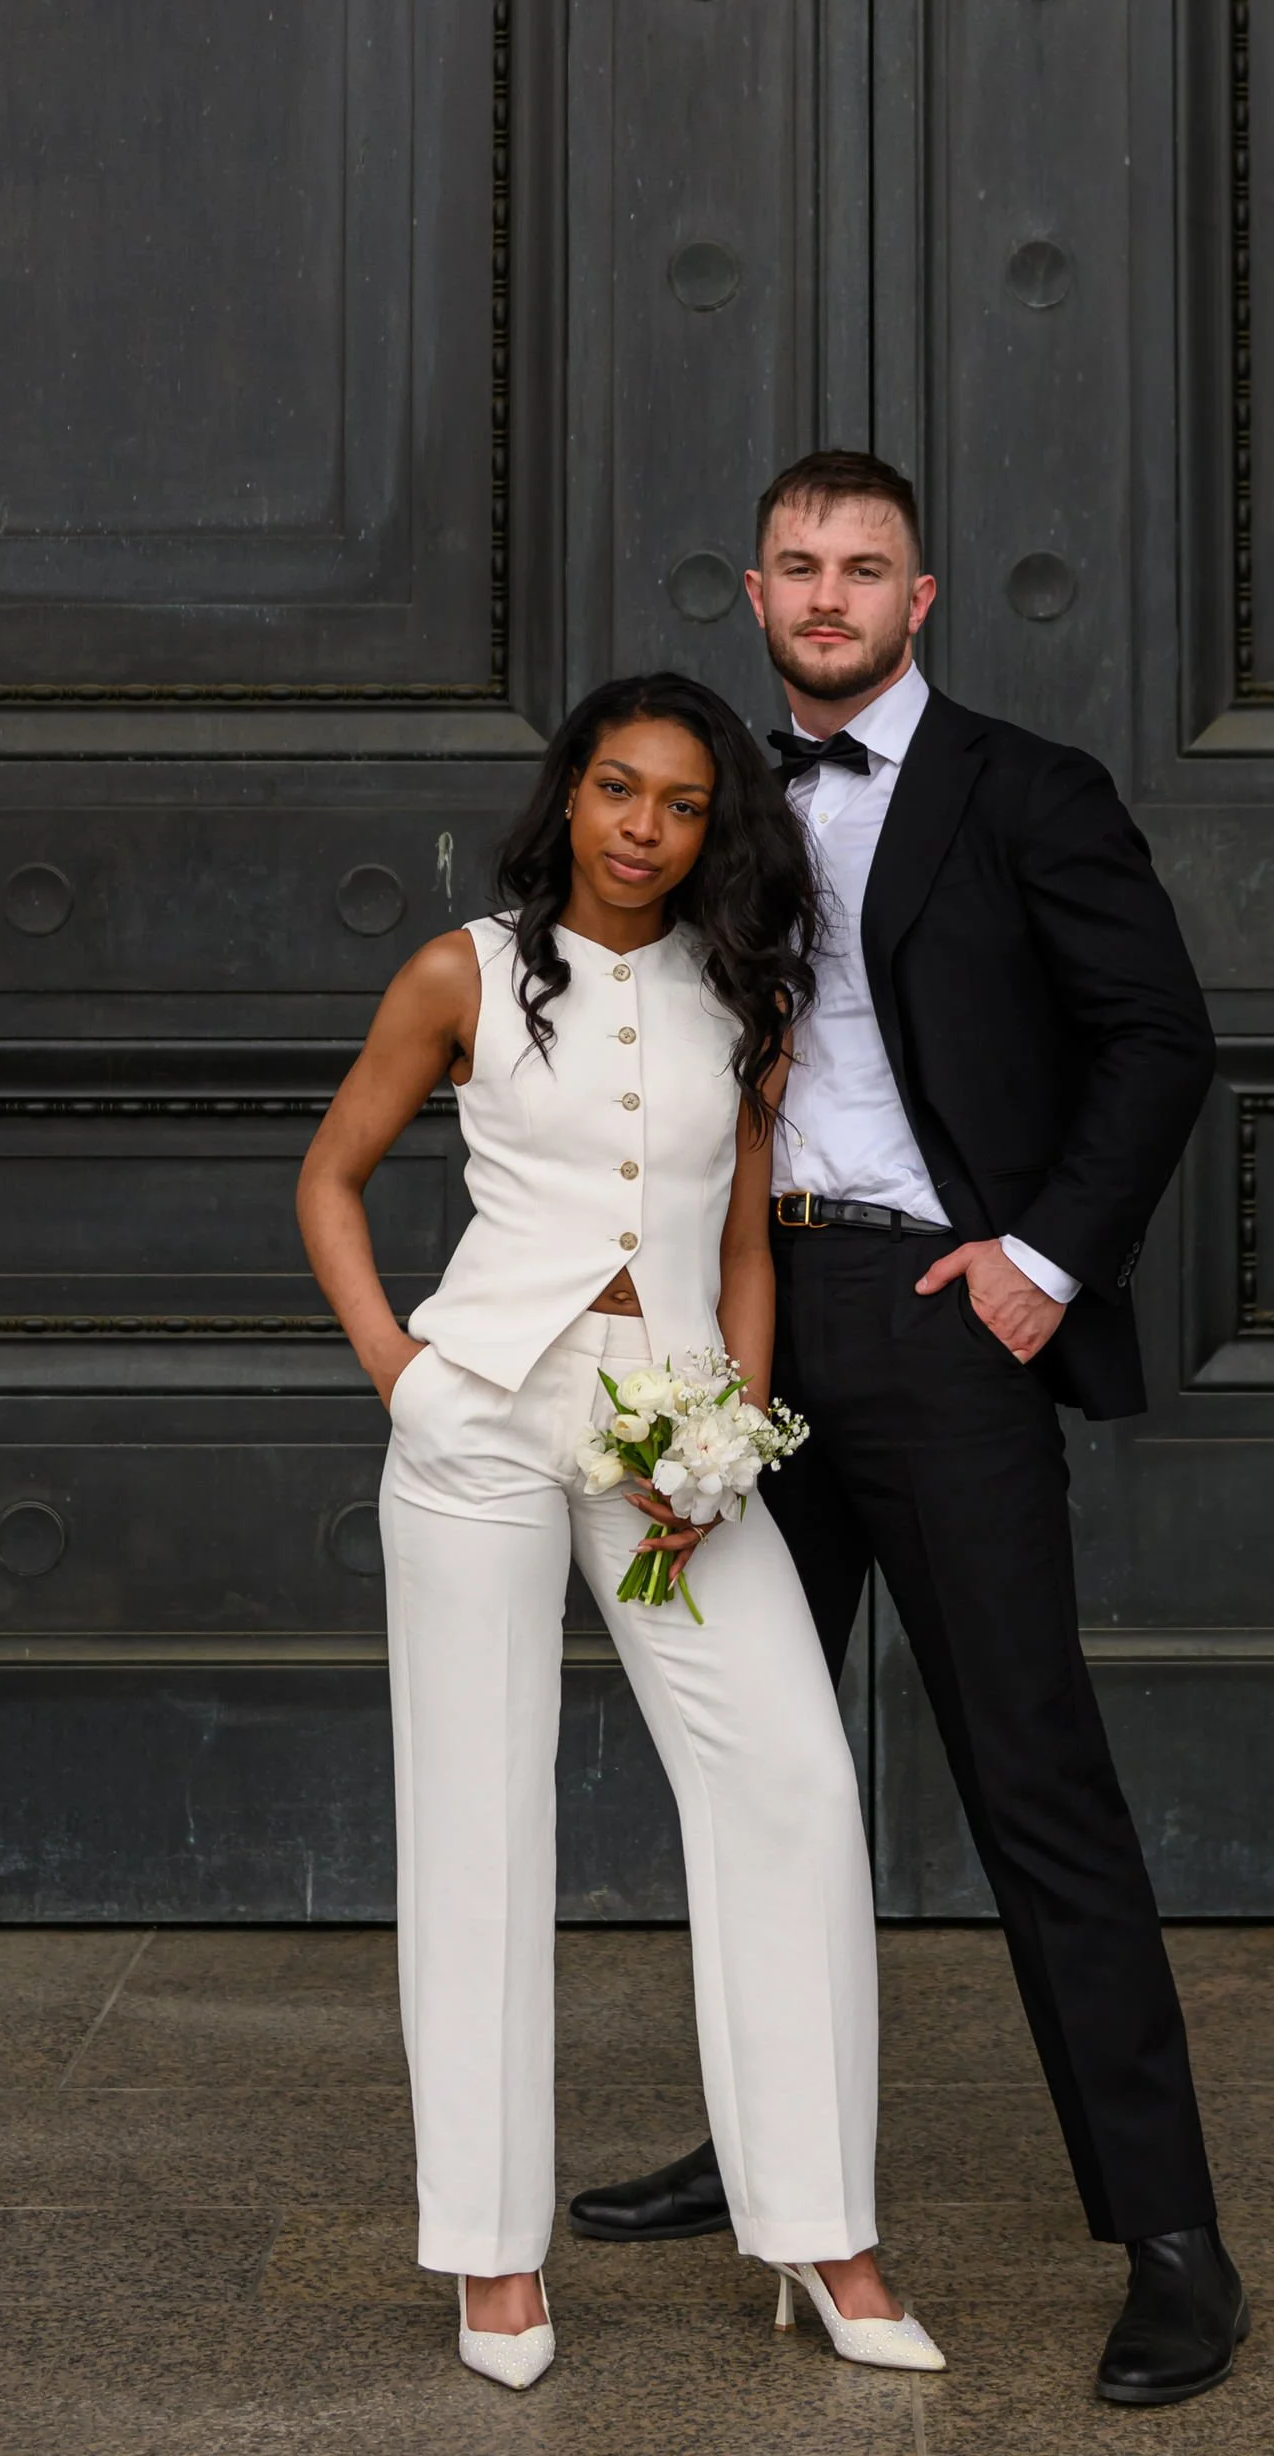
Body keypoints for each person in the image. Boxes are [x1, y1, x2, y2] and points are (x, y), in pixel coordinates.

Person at [567, 457, 1249, 2407]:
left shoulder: (1028, 791)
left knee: (1036, 1784)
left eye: (866, 567)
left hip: (942, 1321)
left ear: (922, 596)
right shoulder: (691, 797)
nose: (831, 592)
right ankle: (768, 2149)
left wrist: (1042, 1255)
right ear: (758, 586)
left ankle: (1180, 2244)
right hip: (743, 1330)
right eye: (800, 563)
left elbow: (1162, 1034)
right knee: (755, 1767)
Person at [296, 672, 944, 2391]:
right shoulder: (467, 970)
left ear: (711, 827)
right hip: (483, 1415)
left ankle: (823, 2233)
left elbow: (743, 1240)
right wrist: (402, 1373)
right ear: (568, 796)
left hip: (677, 1438)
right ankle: (492, 2264)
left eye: (679, 804)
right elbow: (329, 1177)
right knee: (478, 1818)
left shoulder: (744, 993)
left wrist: (726, 1428)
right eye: (616, 790)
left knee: (793, 1787)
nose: (644, 829)